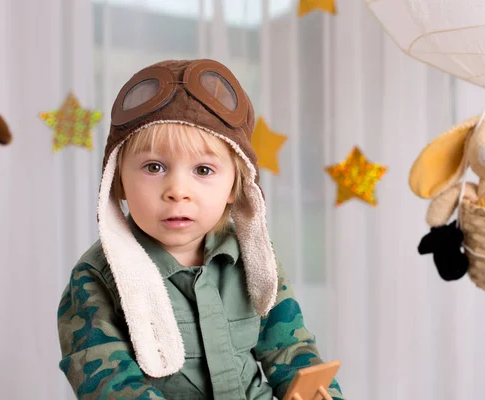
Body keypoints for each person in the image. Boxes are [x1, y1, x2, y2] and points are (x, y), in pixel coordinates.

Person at [57, 59, 343, 399]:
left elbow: (291, 351)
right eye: (154, 166)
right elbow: (111, 387)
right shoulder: (97, 279)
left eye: (203, 170)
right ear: (118, 181)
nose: (178, 190)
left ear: (236, 186)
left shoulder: (255, 262)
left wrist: (316, 392)